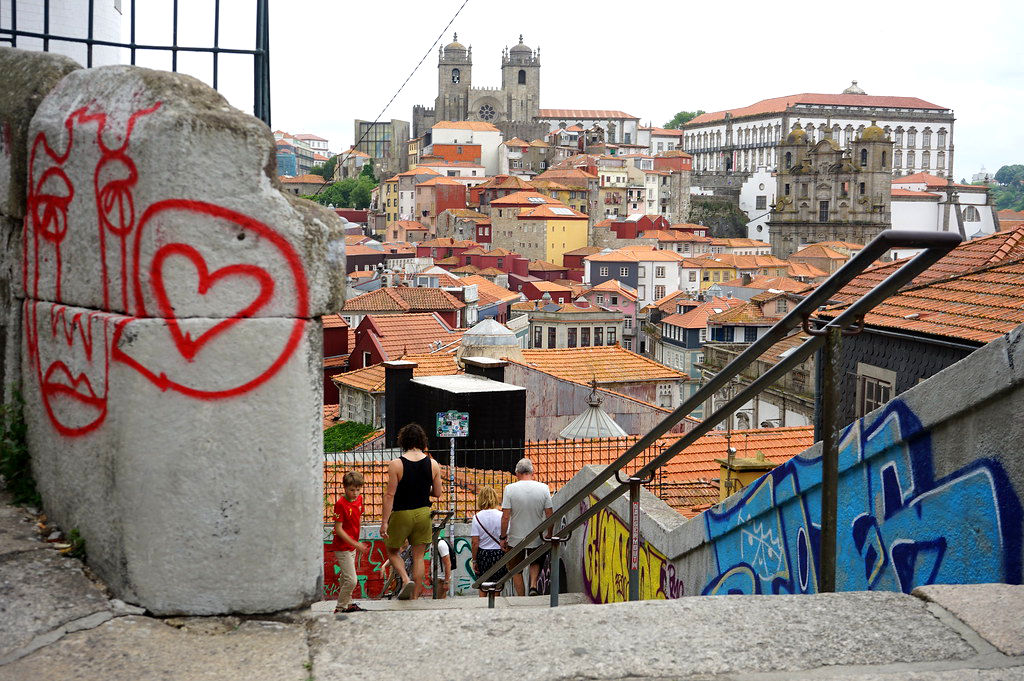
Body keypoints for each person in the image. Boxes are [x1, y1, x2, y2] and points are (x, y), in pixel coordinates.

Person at [381, 423, 442, 600]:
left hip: (402, 513)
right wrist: (422, 489)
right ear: (422, 441)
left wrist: (385, 522)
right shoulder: (433, 464)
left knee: (392, 552)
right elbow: (437, 493)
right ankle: (415, 597)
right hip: (423, 513)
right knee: (419, 556)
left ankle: (406, 579)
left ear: (403, 441)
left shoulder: (396, 464)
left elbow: (390, 495)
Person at [500, 458, 553, 596]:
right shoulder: (544, 488)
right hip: (537, 535)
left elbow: (505, 517)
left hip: (515, 537)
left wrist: (503, 537)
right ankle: (533, 586)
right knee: (535, 561)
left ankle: (522, 597)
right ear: (532, 472)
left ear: (517, 473)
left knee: (516, 569)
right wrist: (549, 533)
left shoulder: (509, 489)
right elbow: (549, 514)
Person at [331, 471, 370, 613]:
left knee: (345, 577)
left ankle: (349, 604)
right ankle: (340, 608)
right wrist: (356, 544)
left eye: (358, 489)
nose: (355, 493)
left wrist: (356, 539)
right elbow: (338, 529)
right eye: (352, 490)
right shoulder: (340, 504)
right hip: (342, 547)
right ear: (345, 488)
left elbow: (358, 518)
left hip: (352, 546)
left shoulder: (359, 500)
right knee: (352, 580)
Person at [470, 486, 506, 597]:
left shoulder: (477, 518)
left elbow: (475, 542)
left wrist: (474, 560)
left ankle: (482, 610)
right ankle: (496, 611)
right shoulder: (501, 516)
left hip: (483, 555)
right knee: (497, 585)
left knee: (483, 585)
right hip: (499, 554)